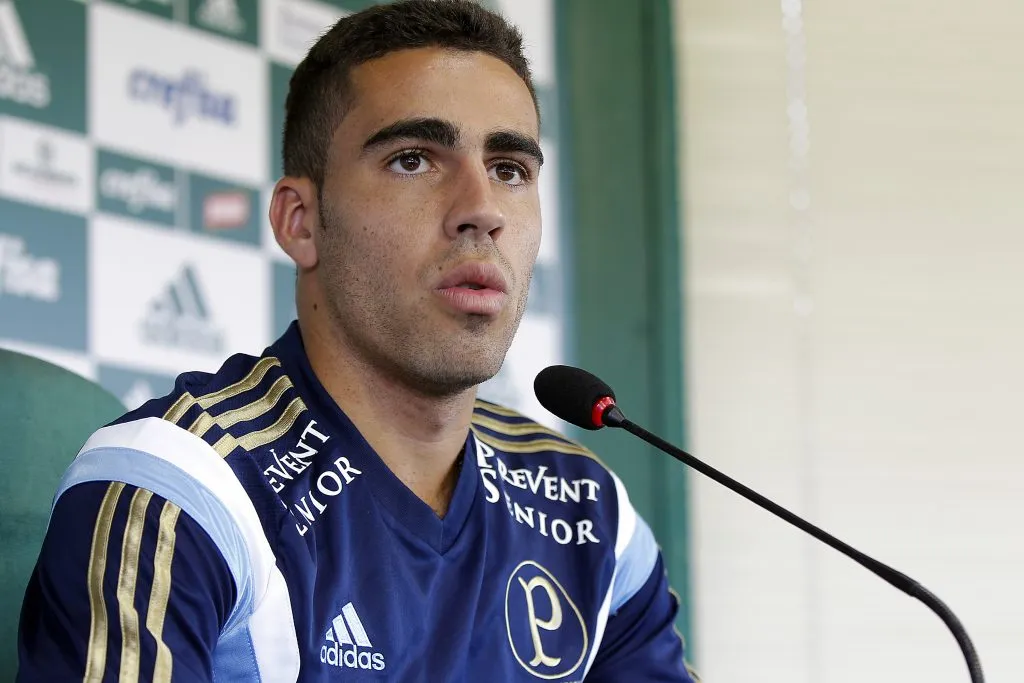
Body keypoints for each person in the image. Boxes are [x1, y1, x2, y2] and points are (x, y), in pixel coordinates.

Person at [17, 1, 700, 681]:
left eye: (510, 169)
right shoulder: (181, 486)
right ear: (301, 221)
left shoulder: (587, 511)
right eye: (413, 160)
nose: (482, 209)